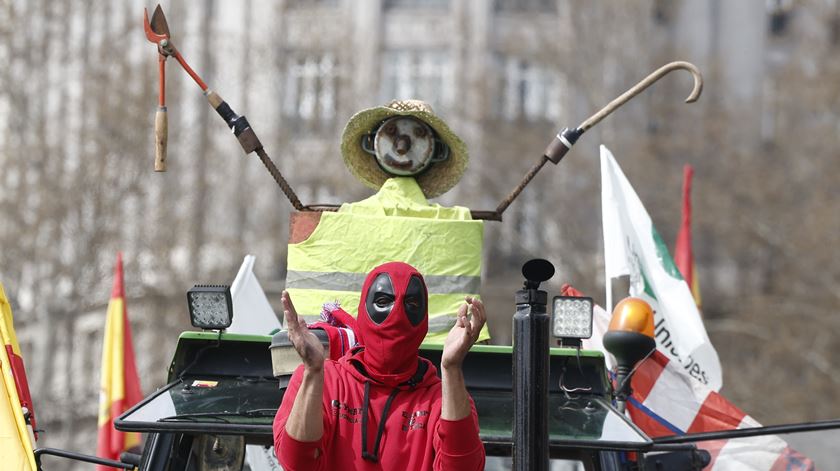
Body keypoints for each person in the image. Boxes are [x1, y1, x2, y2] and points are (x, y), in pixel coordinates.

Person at [273, 261, 486, 470]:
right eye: (384, 301)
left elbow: (462, 466)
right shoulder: (324, 381)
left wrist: (451, 368)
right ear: (364, 308)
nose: (398, 315)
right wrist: (313, 371)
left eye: (411, 304)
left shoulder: (444, 398)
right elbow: (297, 463)